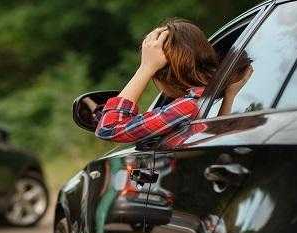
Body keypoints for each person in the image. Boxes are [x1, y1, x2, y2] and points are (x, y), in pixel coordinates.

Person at [95, 18, 252, 143]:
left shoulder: (188, 106)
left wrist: (145, 68)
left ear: (161, 74)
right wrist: (230, 96)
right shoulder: (208, 98)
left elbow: (109, 128)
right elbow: (217, 137)